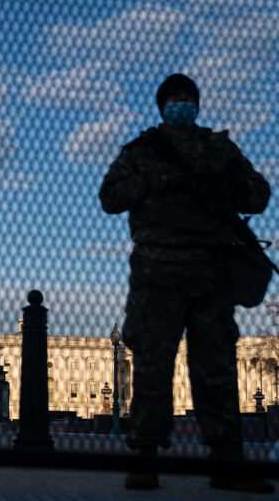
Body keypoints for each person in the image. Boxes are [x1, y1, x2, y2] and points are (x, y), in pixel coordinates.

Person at [99, 74, 273, 493]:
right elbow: (110, 198)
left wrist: (226, 185)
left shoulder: (220, 149)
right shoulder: (142, 150)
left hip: (211, 274)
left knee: (216, 367)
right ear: (162, 106)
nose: (181, 104)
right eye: (175, 98)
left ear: (196, 104)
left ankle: (226, 459)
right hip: (157, 275)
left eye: (187, 98)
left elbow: (259, 196)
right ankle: (144, 456)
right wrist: (156, 181)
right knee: (152, 367)